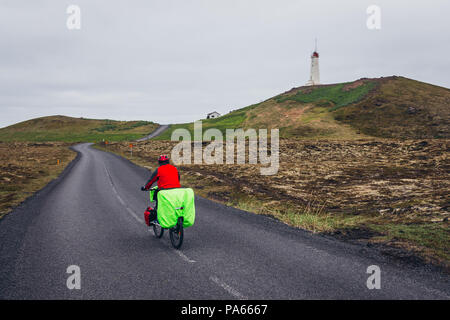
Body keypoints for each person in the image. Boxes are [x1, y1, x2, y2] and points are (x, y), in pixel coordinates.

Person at [141, 155, 181, 221]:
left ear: (159, 162)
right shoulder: (175, 168)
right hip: (176, 190)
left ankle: (158, 217)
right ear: (168, 161)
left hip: (164, 191)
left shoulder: (158, 170)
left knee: (156, 197)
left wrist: (145, 187)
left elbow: (151, 181)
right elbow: (178, 179)